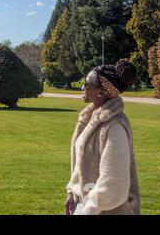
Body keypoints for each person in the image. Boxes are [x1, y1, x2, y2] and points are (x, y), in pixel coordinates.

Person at [65, 59, 140, 215]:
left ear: (101, 92)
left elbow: (113, 182)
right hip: (83, 204)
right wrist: (72, 191)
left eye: (87, 84)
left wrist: (88, 209)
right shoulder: (90, 120)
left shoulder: (114, 126)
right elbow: (81, 164)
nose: (82, 87)